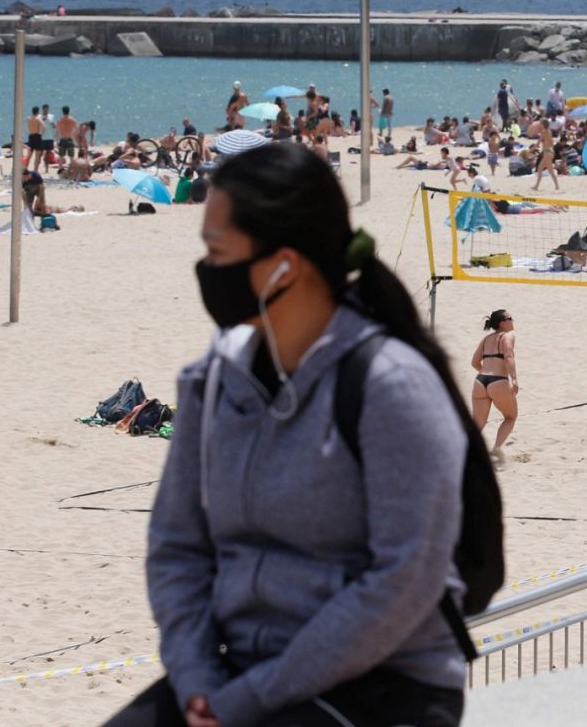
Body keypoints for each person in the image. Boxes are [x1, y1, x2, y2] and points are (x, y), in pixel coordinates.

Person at [106, 142, 486, 727]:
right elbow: (176, 547)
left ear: (285, 264)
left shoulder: (392, 386)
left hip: (382, 686)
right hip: (236, 672)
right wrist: (197, 679)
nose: (207, 271)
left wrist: (249, 699)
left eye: (217, 251)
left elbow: (405, 579)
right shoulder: (211, 380)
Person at [471, 309, 518, 462]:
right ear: (502, 323)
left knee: (477, 424)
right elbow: (509, 356)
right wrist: (514, 379)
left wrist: (486, 372)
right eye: (509, 318)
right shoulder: (508, 336)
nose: (513, 320)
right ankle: (497, 448)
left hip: (480, 381)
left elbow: (474, 362)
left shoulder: (486, 339)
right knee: (511, 417)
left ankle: (466, 452)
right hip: (498, 381)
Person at [531, 118, 560, 191]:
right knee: (540, 169)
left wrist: (531, 150)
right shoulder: (549, 131)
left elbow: (538, 143)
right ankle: (536, 186)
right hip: (549, 152)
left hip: (547, 152)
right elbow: (551, 142)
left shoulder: (544, 132)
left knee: (550, 170)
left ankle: (557, 186)